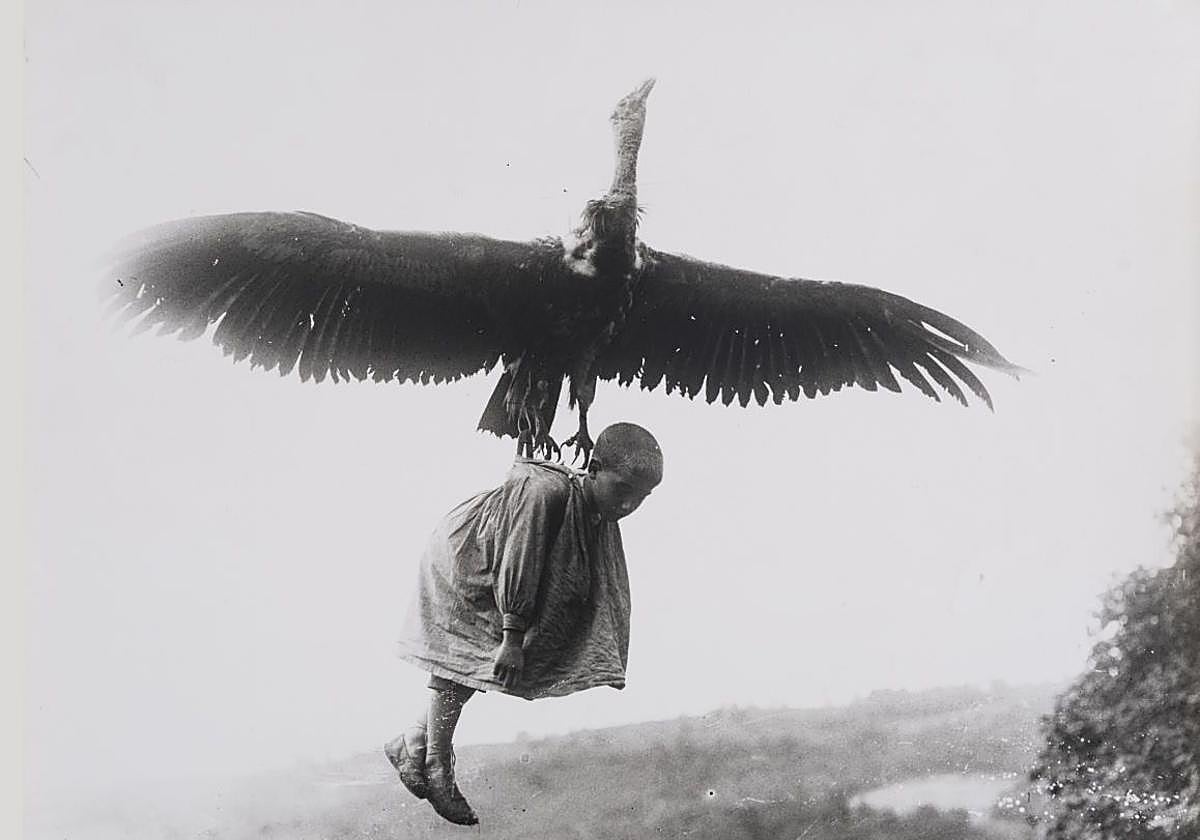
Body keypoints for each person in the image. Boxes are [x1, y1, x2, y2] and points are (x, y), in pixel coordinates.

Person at [385, 422, 663, 826]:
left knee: (482, 660)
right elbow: (520, 554)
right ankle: (437, 762)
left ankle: (415, 737)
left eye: (641, 497)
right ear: (594, 468)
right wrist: (512, 634)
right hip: (469, 556)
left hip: (498, 562)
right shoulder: (545, 491)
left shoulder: (596, 515)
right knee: (476, 653)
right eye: (622, 489)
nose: (628, 505)